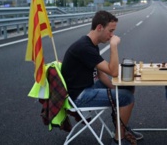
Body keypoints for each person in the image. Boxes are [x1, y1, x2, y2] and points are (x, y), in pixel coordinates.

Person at [61, 10, 143, 145]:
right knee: (127, 98)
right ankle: (118, 140)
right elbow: (114, 72)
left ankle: (121, 128)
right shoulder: (84, 48)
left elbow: (101, 74)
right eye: (110, 31)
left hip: (86, 87)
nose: (112, 35)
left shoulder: (91, 44)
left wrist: (115, 88)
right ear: (99, 27)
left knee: (127, 88)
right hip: (79, 96)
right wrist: (113, 46)